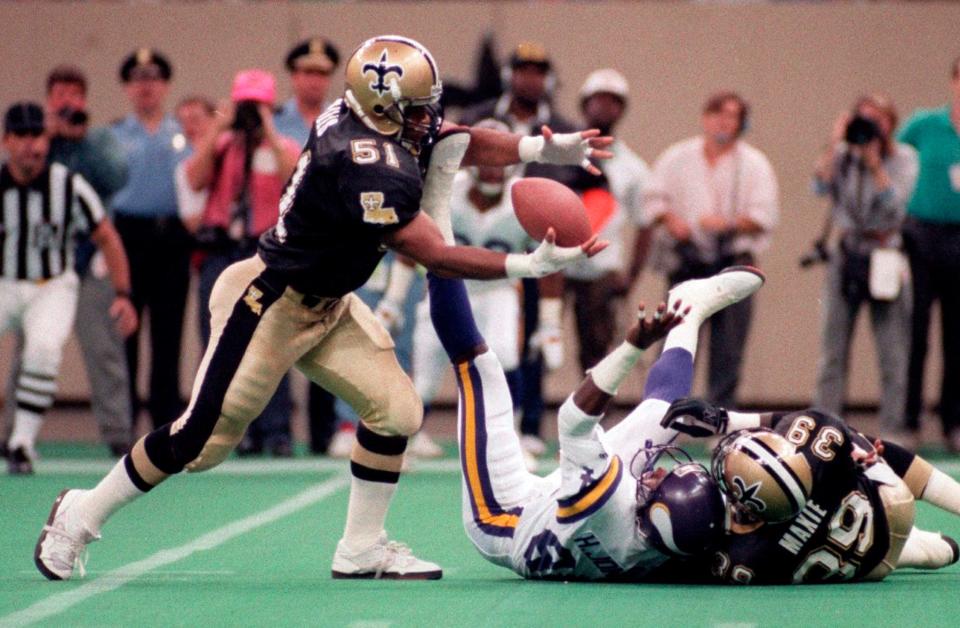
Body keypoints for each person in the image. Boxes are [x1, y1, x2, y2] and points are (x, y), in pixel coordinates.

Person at [33, 34, 612, 581]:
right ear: (383, 109)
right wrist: (525, 267)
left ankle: (360, 548)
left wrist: (542, 145)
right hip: (269, 301)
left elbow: (453, 136)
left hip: (329, 303)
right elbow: (435, 253)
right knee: (199, 442)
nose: (427, 118)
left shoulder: (369, 115)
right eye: (416, 108)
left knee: (397, 413)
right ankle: (79, 514)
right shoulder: (366, 162)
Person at [425, 260, 764, 579]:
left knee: (480, 368)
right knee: (666, 415)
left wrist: (631, 347)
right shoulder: (688, 539)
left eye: (658, 483)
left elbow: (573, 419)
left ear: (647, 513)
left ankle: (436, 245)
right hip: (589, 516)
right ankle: (687, 307)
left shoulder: (609, 499)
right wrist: (759, 421)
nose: (659, 471)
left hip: (506, 517)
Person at [397, 118, 562, 463]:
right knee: (426, 371)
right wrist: (392, 301)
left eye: (496, 161)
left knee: (505, 354)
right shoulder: (446, 188)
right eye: (483, 161)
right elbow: (411, 242)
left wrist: (550, 323)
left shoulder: (526, 197)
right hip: (446, 285)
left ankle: (512, 437)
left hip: (498, 291)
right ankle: (409, 436)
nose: (490, 169)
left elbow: (548, 262)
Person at [659, 398, 960, 584]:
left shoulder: (743, 559)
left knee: (937, 551)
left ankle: (936, 550)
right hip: (890, 508)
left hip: (865, 565)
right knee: (861, 445)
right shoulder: (816, 444)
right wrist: (729, 420)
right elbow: (788, 422)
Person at [1, 65, 132, 456]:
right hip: (9, 278)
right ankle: (12, 434)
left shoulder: (89, 151)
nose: (32, 145)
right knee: (26, 356)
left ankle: (112, 432)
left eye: (36, 135)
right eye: (21, 136)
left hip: (68, 273)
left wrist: (123, 292)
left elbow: (115, 184)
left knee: (67, 348)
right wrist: (52, 132)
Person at [460, 41, 579, 462]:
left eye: (538, 70)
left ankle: (527, 425)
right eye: (523, 69)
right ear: (511, 74)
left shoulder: (563, 127)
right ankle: (472, 423)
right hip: (481, 244)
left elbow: (577, 192)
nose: (531, 78)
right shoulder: (476, 119)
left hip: (538, 244)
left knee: (532, 340)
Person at [185, 69, 300, 457]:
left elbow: (295, 181)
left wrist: (267, 129)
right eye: (245, 107)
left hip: (265, 250)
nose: (249, 115)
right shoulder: (220, 145)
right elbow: (194, 180)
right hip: (221, 249)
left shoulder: (281, 145)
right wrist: (218, 129)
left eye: (256, 107)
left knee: (272, 340)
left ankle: (277, 429)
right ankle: (224, 429)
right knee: (218, 340)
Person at [645, 91, 779, 408]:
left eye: (732, 116)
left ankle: (719, 412)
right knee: (675, 336)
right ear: (705, 118)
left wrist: (729, 223)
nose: (723, 122)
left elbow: (764, 216)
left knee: (729, 345)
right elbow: (652, 200)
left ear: (741, 123)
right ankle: (661, 408)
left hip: (732, 260)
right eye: (718, 114)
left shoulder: (754, 164)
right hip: (688, 259)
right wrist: (670, 219)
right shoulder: (677, 157)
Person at [809, 94, 918, 442]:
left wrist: (875, 166)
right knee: (832, 349)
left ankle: (892, 430)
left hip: (885, 252)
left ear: (890, 124)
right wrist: (834, 143)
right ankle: (822, 427)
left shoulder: (903, 158)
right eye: (863, 118)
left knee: (892, 350)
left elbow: (899, 208)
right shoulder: (843, 156)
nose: (870, 127)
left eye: (878, 119)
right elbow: (817, 186)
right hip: (847, 252)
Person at [110, 48, 192, 430]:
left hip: (172, 239)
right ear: (127, 87)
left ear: (166, 86)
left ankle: (165, 423)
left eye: (154, 79)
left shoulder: (183, 133)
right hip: (127, 237)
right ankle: (122, 419)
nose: (147, 86)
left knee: (168, 331)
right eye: (139, 79)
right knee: (125, 332)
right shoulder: (112, 135)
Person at [274, 37, 343, 456]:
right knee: (275, 334)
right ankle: (276, 430)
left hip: (329, 243)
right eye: (306, 71)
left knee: (323, 335)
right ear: (293, 76)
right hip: (284, 243)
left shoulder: (342, 122)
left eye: (321, 73)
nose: (314, 80)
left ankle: (323, 430)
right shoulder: (274, 122)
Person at [564, 69, 651, 372]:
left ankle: (594, 414)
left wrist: (631, 275)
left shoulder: (632, 167)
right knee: (537, 341)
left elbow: (645, 223)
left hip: (601, 267)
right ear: (584, 103)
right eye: (598, 99)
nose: (604, 107)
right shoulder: (559, 150)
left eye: (613, 101)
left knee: (597, 349)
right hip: (552, 261)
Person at [897, 55, 960, 452]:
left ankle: (953, 420)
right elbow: (892, 158)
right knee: (914, 332)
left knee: (956, 334)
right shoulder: (925, 124)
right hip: (921, 237)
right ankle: (910, 419)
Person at [173, 95, 216, 230]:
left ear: (214, 120)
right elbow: (191, 223)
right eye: (183, 122)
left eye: (195, 119)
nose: (190, 128)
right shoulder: (184, 168)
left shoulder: (235, 155)